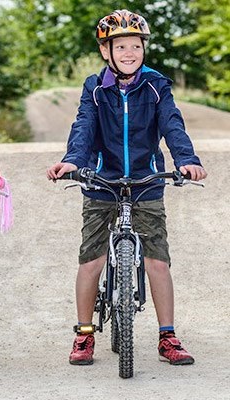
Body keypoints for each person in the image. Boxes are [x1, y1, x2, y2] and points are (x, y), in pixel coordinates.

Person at [46, 10, 207, 366]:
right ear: (107, 51)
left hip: (146, 181)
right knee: (91, 258)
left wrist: (186, 159)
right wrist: (73, 161)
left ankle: (168, 336)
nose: (130, 52)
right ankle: (84, 334)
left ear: (143, 49)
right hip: (101, 180)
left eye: (136, 45)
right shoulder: (95, 87)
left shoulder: (156, 85)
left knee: (158, 260)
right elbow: (84, 127)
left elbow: (172, 124)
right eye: (121, 46)